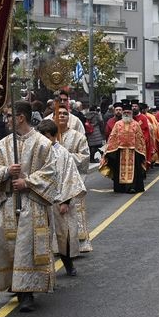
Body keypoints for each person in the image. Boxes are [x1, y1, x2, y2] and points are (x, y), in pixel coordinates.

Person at [0, 101, 63, 314]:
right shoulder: (3, 144)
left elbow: (51, 173)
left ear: (21, 117)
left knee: (27, 248)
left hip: (33, 202)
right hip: (11, 203)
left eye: (10, 116)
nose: (6, 120)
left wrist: (27, 181)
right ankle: (16, 285)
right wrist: (6, 171)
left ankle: (27, 293)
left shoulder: (42, 144)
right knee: (11, 246)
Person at [37, 119, 86, 277]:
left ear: (53, 136)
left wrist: (65, 201)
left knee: (63, 235)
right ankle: (44, 271)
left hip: (60, 200)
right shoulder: (38, 152)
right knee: (42, 236)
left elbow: (70, 177)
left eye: (46, 137)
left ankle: (68, 263)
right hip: (41, 199)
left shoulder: (63, 154)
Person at [55, 106, 93, 253]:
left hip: (73, 180)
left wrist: (66, 158)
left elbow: (84, 157)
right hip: (55, 181)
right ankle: (57, 246)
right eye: (60, 114)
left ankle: (78, 244)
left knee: (74, 212)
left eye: (65, 114)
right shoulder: (48, 137)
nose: (62, 116)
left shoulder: (78, 137)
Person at [100, 105, 148, 194]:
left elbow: (140, 138)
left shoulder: (136, 124)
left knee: (134, 170)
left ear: (131, 114)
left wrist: (139, 150)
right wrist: (110, 149)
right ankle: (120, 188)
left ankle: (132, 187)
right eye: (125, 113)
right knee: (118, 169)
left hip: (133, 151)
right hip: (120, 151)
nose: (126, 114)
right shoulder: (118, 124)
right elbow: (112, 137)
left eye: (128, 113)